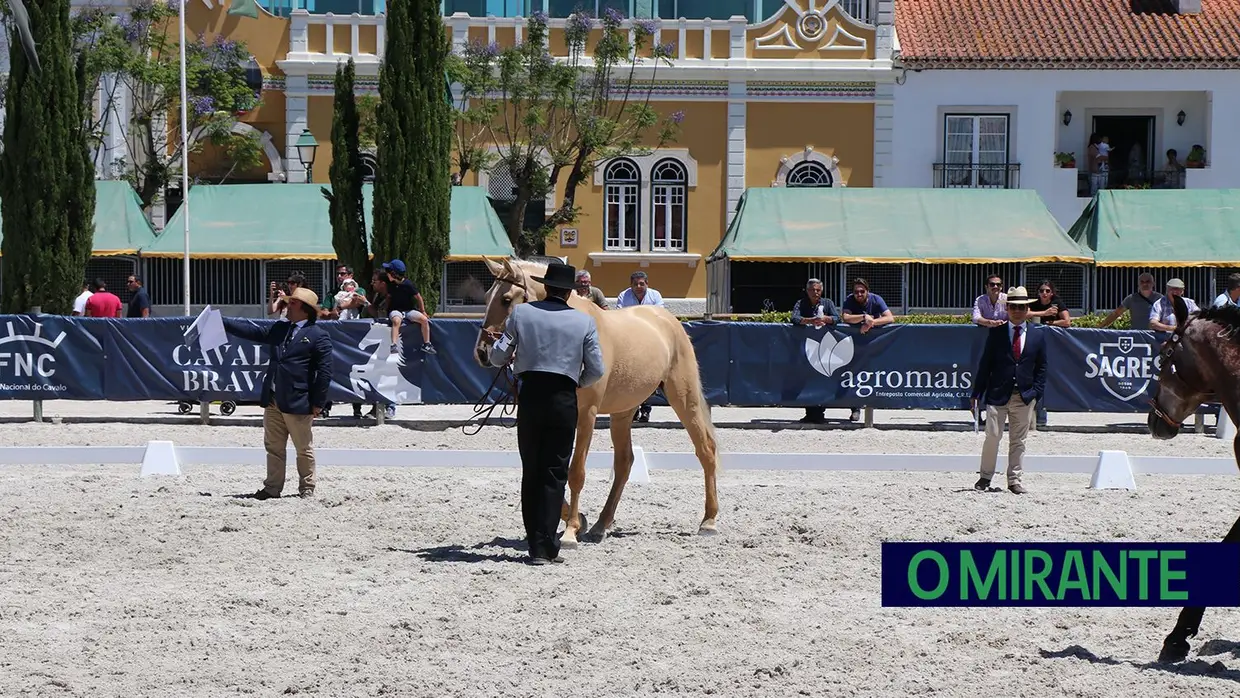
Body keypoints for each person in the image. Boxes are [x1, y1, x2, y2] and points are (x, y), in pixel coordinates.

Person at [487, 262, 604, 565]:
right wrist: (573, 382)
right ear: (568, 292)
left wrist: (504, 353)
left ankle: (535, 544)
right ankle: (549, 544)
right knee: (555, 471)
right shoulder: (584, 322)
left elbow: (498, 355)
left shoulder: (522, 314)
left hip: (531, 395)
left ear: (546, 287)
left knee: (533, 469)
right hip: (564, 397)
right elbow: (596, 370)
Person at [222, 287, 334, 500]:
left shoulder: (319, 335)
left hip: (298, 400)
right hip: (273, 398)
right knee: (273, 447)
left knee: (303, 447)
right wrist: (224, 322)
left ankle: (307, 487)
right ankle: (272, 488)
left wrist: (318, 402)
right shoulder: (281, 328)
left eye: (292, 303)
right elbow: (252, 331)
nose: (286, 306)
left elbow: (325, 372)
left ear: (305, 309)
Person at [971, 287, 1047, 495]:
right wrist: (977, 393)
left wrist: (1036, 394)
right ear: (1008, 308)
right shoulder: (996, 334)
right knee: (992, 436)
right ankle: (985, 476)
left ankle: (1014, 479)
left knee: (1018, 440)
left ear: (1027, 309)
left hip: (1024, 395)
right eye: (1013, 306)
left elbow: (1041, 367)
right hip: (997, 393)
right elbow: (985, 365)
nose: (1017, 311)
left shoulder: (1037, 336)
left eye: (1021, 307)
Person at [791, 278, 841, 425]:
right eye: (812, 290)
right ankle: (809, 413)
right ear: (807, 291)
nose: (815, 292)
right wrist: (810, 320)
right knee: (806, 380)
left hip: (824, 347)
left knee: (823, 378)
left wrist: (827, 319)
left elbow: (837, 318)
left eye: (818, 290)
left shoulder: (828, 303)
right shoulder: (801, 303)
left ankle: (820, 413)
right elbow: (794, 318)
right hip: (806, 347)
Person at [383, 259, 436, 356]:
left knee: (424, 320)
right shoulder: (391, 285)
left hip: (408, 310)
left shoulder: (408, 284)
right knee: (396, 320)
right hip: (395, 310)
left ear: (394, 274)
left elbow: (418, 297)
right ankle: (394, 344)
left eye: (388, 272)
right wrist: (386, 310)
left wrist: (422, 311)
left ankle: (427, 344)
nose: (386, 274)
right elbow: (389, 297)